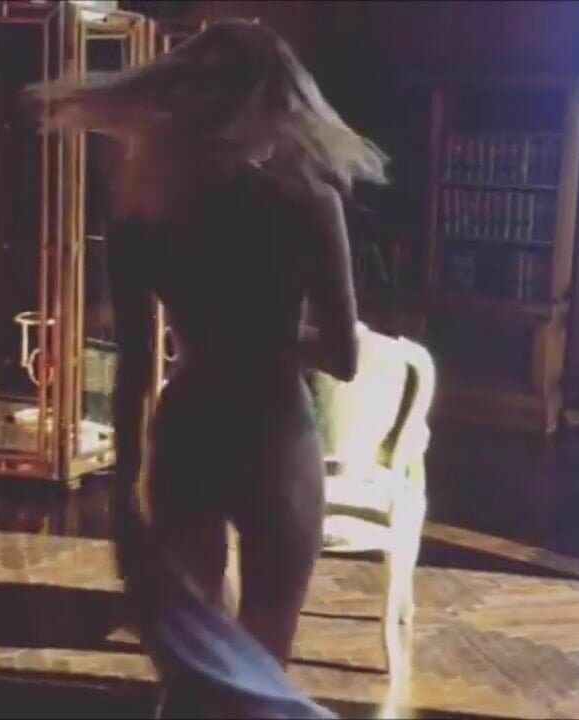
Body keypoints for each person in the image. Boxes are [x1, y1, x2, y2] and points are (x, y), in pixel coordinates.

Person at [26, 18, 388, 717]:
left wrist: (125, 493)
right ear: (279, 96)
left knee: (196, 668)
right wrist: (273, 332)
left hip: (188, 432)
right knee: (263, 670)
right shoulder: (309, 201)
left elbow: (135, 368)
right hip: (275, 435)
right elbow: (344, 358)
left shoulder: (143, 207)